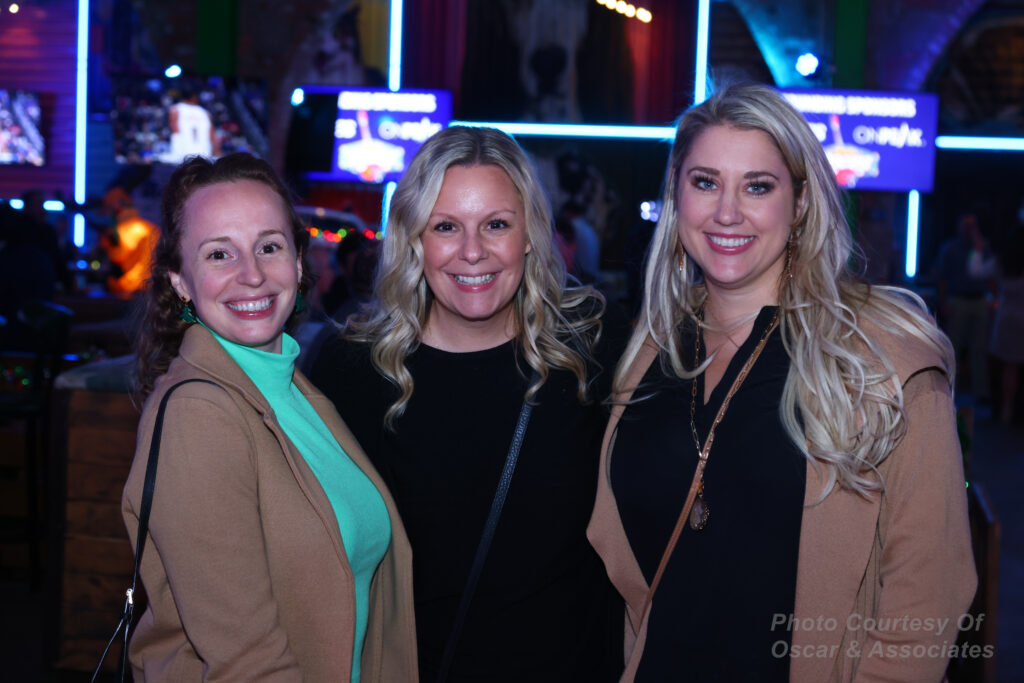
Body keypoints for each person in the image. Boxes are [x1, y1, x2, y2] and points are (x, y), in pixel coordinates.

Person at [586, 83, 976, 681]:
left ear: (799, 204)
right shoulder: (650, 346)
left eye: (758, 187)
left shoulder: (883, 360)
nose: (727, 213)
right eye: (706, 182)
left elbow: (927, 597)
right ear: (676, 195)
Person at [309, 126, 626, 682]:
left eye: (496, 225)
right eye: (446, 227)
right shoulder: (349, 370)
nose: (472, 251)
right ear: (414, 238)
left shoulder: (595, 348)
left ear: (529, 234)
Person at [122, 152, 417, 682]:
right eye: (219, 254)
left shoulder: (295, 388)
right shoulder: (199, 413)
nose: (252, 275)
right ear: (180, 282)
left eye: (269, 247)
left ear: (299, 264)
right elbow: (246, 663)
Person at [935, 211, 996, 402]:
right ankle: (950, 390)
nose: (969, 230)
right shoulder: (950, 249)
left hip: (979, 301)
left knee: (980, 348)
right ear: (959, 227)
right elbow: (942, 278)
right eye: (966, 225)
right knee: (953, 348)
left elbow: (990, 276)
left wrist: (993, 300)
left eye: (972, 226)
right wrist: (944, 302)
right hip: (958, 301)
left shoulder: (983, 248)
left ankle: (981, 392)